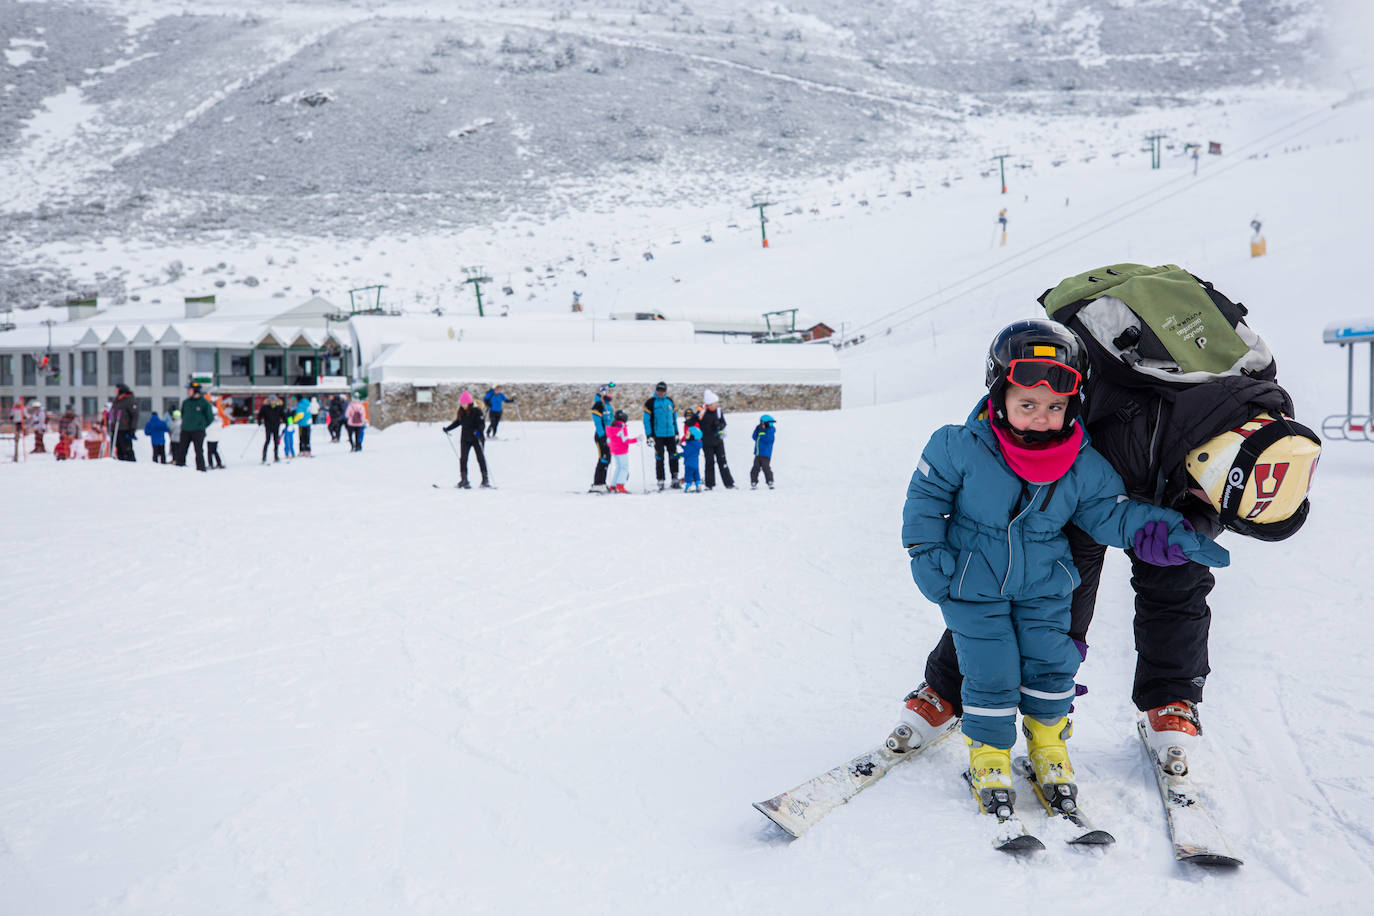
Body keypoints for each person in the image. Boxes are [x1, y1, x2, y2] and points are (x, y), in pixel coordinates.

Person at [890, 294, 1311, 781]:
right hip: (1042, 512)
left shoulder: (1264, 446)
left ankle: (1147, 706)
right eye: (1028, 404)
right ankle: (961, 705)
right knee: (1009, 620)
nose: (1041, 414)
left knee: (1145, 598)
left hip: (1103, 521)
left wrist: (1182, 529)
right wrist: (927, 554)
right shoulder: (981, 444)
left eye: (1053, 406)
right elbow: (938, 505)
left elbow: (1145, 511)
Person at [442, 391, 490, 488]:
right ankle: (464, 480)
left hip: (477, 438)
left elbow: (482, 424)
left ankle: (485, 480)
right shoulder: (461, 412)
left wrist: (478, 431)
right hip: (465, 439)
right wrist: (448, 428)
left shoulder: (477, 411)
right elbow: (458, 422)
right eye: (461, 403)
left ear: (469, 402)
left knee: (480, 458)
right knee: (463, 459)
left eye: (464, 403)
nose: (462, 405)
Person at [642, 381, 681, 490]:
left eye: (662, 391)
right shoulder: (650, 402)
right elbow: (646, 420)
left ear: (665, 391)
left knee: (673, 456)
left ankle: (675, 478)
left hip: (671, 434)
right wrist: (649, 435)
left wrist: (677, 433)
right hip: (657, 435)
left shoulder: (670, 402)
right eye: (658, 390)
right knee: (660, 458)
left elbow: (674, 419)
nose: (660, 393)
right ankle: (661, 480)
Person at [697, 389, 734, 490]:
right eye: (715, 403)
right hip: (707, 442)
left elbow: (723, 423)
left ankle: (729, 483)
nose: (717, 404)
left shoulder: (718, 411)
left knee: (723, 461)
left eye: (717, 403)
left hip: (718, 441)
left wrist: (720, 425)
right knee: (709, 463)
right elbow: (695, 423)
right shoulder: (702, 412)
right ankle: (709, 484)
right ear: (709, 404)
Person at [177, 383, 215, 471]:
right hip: (185, 430)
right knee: (182, 450)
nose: (187, 391)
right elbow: (183, 414)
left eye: (189, 390)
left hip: (198, 431)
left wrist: (201, 425)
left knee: (198, 451)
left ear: (195, 390)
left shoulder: (204, 403)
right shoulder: (186, 402)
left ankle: (201, 469)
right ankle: (179, 468)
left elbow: (210, 417)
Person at [589, 383, 615, 492]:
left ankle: (602, 482)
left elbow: (611, 421)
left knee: (607, 459)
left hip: (609, 436)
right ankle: (597, 483)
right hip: (601, 437)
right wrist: (603, 436)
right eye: (610, 391)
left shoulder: (608, 405)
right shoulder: (598, 405)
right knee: (603, 458)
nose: (612, 394)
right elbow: (598, 423)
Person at [605, 409, 639, 494]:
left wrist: (613, 447)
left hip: (615, 450)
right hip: (622, 450)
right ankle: (620, 485)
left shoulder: (612, 426)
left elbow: (608, 441)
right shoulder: (622, 426)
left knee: (619, 467)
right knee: (624, 468)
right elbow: (625, 440)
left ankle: (613, 485)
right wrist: (636, 440)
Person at [110, 384, 139, 461]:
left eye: (116, 390)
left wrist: (132, 429)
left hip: (125, 428)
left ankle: (131, 463)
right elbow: (112, 411)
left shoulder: (129, 400)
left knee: (126, 449)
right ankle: (121, 463)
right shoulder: (116, 400)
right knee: (118, 449)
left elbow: (134, 415)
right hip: (115, 428)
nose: (115, 392)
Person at [750, 415, 777, 490]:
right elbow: (754, 437)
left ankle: (770, 481)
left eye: (762, 423)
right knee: (755, 468)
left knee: (766, 468)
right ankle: (753, 482)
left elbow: (769, 440)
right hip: (758, 453)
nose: (761, 424)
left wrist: (761, 434)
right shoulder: (760, 429)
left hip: (766, 454)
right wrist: (757, 430)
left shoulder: (770, 430)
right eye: (760, 423)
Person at [258, 395, 285, 463]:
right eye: (272, 400)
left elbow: (283, 415)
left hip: (276, 426)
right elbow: (260, 415)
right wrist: (259, 421)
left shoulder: (279, 408)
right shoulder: (265, 407)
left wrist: (287, 422)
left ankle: (276, 456)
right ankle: (264, 457)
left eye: (274, 400)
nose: (273, 402)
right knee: (267, 440)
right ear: (269, 401)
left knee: (276, 441)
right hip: (268, 426)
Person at [679, 426, 703, 493]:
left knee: (688, 475)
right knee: (696, 475)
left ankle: (688, 487)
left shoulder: (690, 445)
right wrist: (681, 445)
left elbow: (685, 453)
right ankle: (698, 485)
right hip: (695, 464)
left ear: (692, 436)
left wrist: (676, 455)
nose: (686, 435)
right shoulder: (695, 444)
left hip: (689, 464)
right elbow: (688, 449)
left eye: (687, 434)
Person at [205, 397, 226, 469]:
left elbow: (207, 425)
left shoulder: (210, 412)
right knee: (214, 450)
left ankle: (211, 464)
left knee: (210, 451)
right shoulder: (218, 412)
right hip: (216, 435)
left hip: (210, 435)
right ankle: (218, 463)